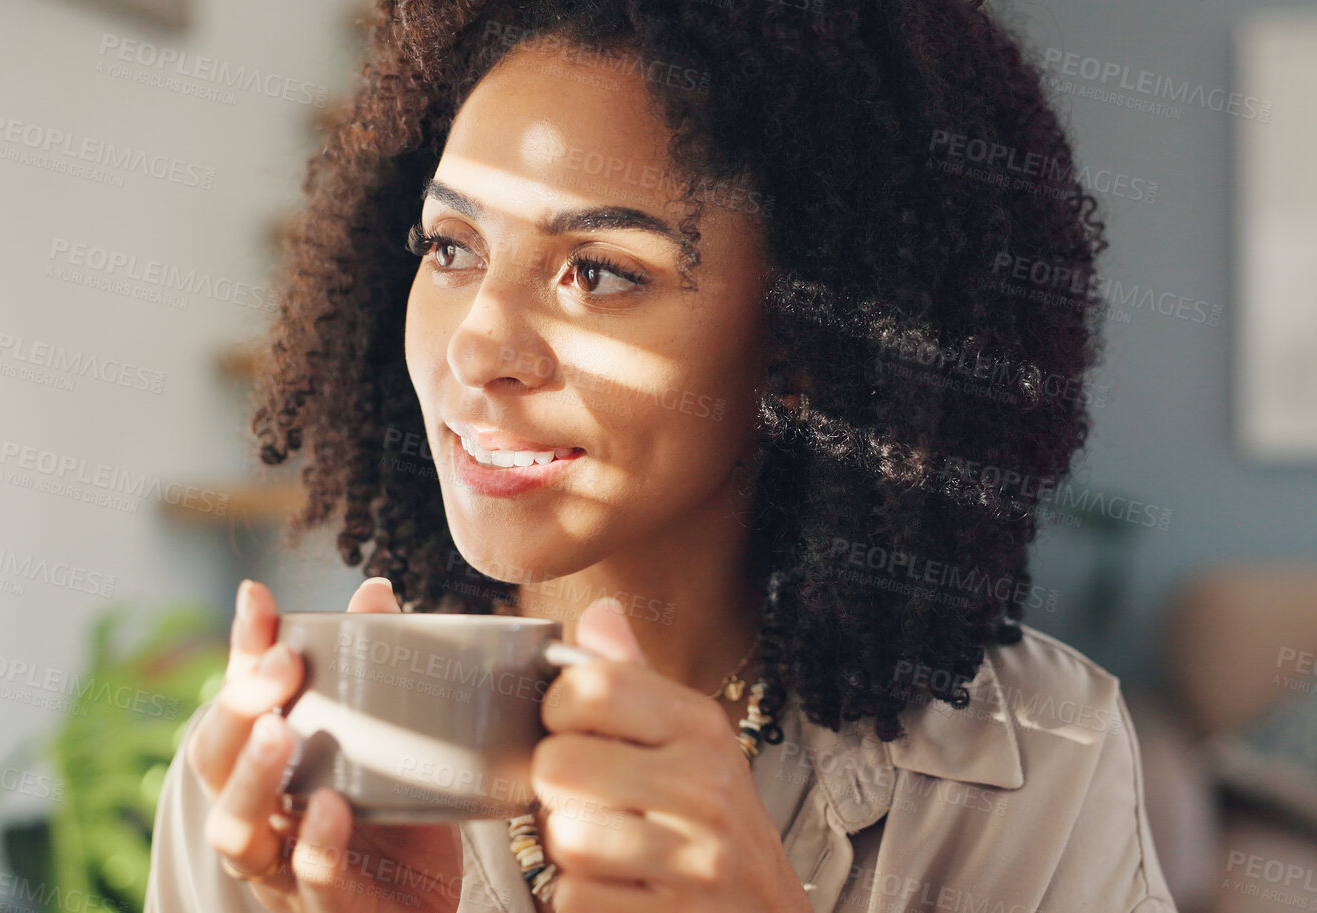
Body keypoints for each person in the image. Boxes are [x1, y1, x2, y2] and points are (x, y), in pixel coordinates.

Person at [144, 1, 1177, 912]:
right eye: (451, 247)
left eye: (596, 271)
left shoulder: (1041, 756)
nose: (474, 349)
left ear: (802, 347)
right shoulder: (272, 771)